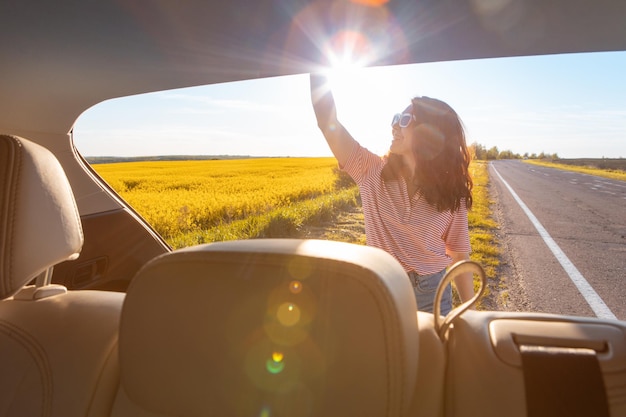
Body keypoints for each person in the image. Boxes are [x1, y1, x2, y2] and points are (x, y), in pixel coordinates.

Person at [309, 73, 474, 315]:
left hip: (433, 292)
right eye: (396, 117)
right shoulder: (370, 170)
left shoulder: (451, 192)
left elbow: (458, 253)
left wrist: (472, 310)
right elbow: (326, 121)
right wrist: (313, 64)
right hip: (382, 287)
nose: (395, 125)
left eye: (405, 119)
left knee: (432, 353)